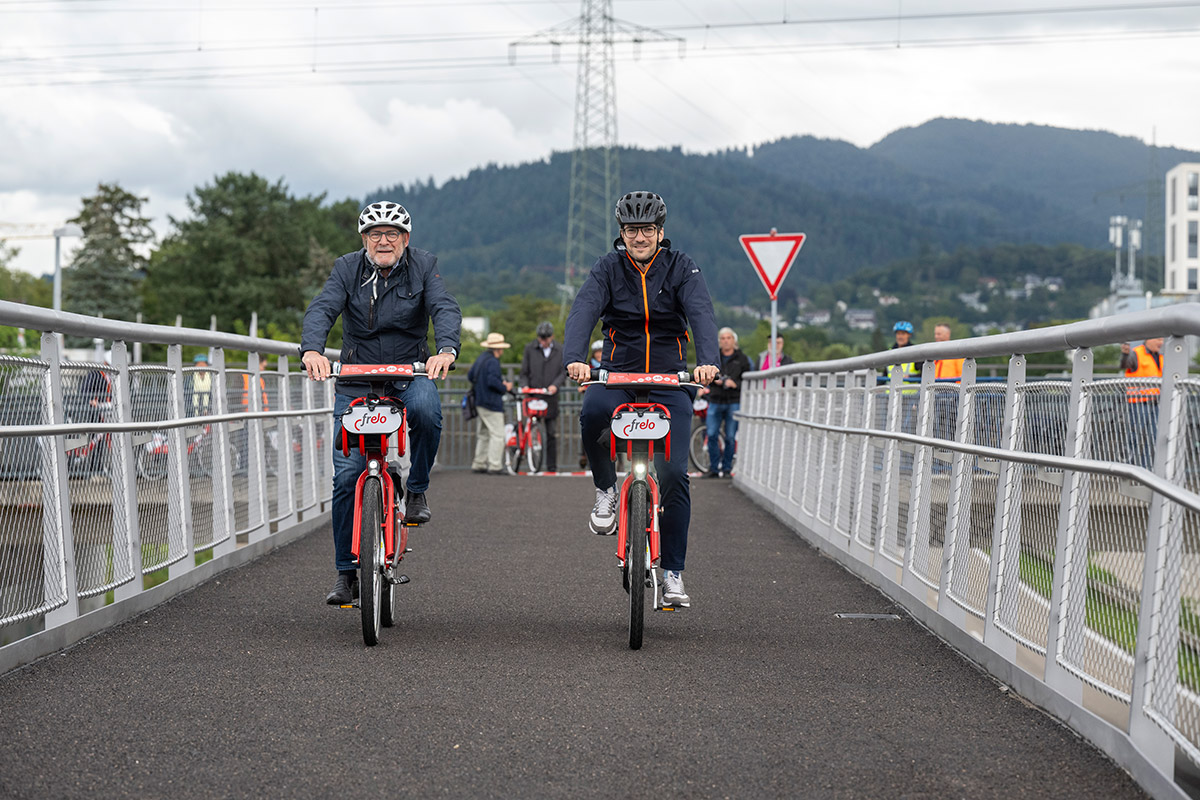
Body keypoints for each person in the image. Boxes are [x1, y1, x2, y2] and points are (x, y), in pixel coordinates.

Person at [300, 200, 462, 606]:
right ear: (363, 240)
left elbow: (443, 307)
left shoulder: (424, 266)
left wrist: (446, 349)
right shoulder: (346, 268)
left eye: (392, 234)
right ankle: (345, 573)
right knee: (346, 476)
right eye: (375, 234)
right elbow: (323, 308)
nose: (383, 241)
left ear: (406, 240)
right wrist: (312, 350)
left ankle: (418, 489)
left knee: (427, 411)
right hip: (356, 377)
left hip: (409, 372)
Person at [563, 190, 719, 609]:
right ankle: (605, 490)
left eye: (647, 230)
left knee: (673, 474)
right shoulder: (607, 269)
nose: (639, 237)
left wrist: (707, 362)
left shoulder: (682, 268)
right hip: (618, 372)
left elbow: (701, 312)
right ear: (622, 233)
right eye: (632, 231)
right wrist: (576, 358)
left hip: (671, 377)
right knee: (593, 410)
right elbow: (584, 310)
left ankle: (672, 574)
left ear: (660, 232)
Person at [702, 327, 752, 479]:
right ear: (719, 341)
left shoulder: (742, 359)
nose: (726, 341)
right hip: (716, 399)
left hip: (733, 400)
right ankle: (714, 468)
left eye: (728, 338)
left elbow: (749, 381)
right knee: (711, 434)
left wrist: (734, 383)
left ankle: (727, 468)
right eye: (723, 338)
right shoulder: (713, 358)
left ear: (734, 340)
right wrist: (714, 381)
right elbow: (705, 375)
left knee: (730, 436)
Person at [519, 321, 565, 473]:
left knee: (551, 432)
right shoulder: (529, 349)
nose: (543, 341)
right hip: (534, 394)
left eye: (546, 338)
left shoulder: (560, 350)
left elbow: (563, 372)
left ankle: (552, 467)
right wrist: (525, 385)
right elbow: (524, 372)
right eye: (541, 338)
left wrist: (555, 386)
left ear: (552, 337)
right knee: (532, 428)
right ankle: (532, 460)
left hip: (550, 397)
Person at [468, 332, 513, 474]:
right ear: (499, 349)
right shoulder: (493, 361)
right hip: (491, 403)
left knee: (483, 434)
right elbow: (492, 381)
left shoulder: (481, 358)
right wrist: (505, 386)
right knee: (498, 434)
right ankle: (495, 465)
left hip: (479, 400)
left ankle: (479, 463)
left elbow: (470, 375)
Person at [1119, 337, 1164, 469]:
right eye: (1158, 339)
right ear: (1149, 339)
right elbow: (1125, 365)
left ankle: (1146, 469)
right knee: (1135, 437)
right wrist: (1125, 354)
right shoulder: (1136, 353)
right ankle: (1128, 469)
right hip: (1138, 402)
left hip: (1155, 403)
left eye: (1162, 340)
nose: (1161, 343)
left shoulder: (1160, 357)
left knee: (1153, 437)